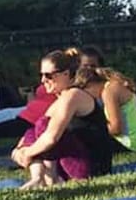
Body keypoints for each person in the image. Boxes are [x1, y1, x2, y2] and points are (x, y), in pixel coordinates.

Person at [10, 50, 113, 189]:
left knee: (44, 126)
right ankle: (38, 177)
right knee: (32, 131)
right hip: (74, 162)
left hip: (91, 167)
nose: (43, 80)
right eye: (41, 75)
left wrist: (26, 153)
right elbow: (33, 133)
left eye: (48, 75)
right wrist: (18, 150)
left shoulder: (73, 95)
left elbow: (51, 137)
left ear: (66, 74)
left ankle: (49, 178)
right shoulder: (60, 100)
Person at [77, 64, 136, 152]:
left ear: (89, 85)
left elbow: (116, 128)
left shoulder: (109, 92)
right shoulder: (112, 87)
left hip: (129, 143)